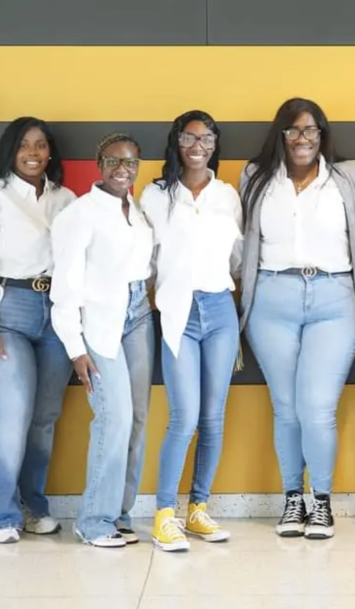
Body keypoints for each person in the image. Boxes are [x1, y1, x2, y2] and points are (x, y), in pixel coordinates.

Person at [239, 98, 355, 540]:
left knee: (317, 408)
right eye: (293, 130)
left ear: (322, 135)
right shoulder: (255, 177)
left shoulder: (347, 177)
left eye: (310, 130)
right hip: (272, 297)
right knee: (287, 409)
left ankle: (322, 502)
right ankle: (293, 498)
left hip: (334, 297)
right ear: (281, 135)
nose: (302, 138)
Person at [0, 117, 76, 544]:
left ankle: (32, 506)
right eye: (24, 145)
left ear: (50, 151)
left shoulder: (65, 200)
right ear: (10, 150)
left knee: (44, 416)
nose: (33, 153)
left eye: (40, 144)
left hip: (53, 312)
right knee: (9, 410)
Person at [141, 111, 242, 552]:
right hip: (178, 310)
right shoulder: (155, 195)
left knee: (213, 418)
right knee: (184, 417)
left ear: (215, 145)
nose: (198, 146)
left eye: (206, 138)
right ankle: (165, 514)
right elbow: (145, 259)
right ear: (176, 142)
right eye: (189, 137)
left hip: (220, 309)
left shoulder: (227, 195)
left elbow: (237, 257)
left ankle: (198, 509)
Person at [50, 133, 154, 548]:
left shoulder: (138, 210)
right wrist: (75, 348)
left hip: (139, 315)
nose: (122, 169)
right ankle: (93, 520)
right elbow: (64, 288)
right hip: (99, 321)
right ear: (99, 164)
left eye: (130, 162)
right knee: (115, 417)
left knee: (138, 418)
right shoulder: (79, 215)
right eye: (113, 161)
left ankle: (119, 514)